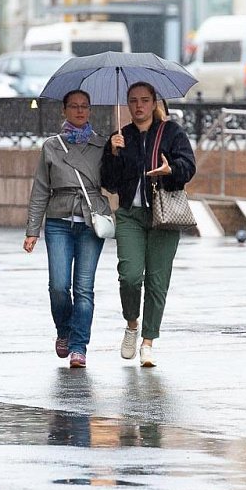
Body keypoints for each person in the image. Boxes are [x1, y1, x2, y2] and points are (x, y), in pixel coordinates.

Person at [101, 82, 196, 367]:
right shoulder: (121, 137)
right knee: (129, 276)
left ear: (154, 102)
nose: (139, 106)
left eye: (144, 100)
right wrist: (112, 154)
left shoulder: (172, 133)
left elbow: (189, 167)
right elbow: (109, 182)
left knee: (157, 282)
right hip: (131, 214)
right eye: (133, 101)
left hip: (163, 215)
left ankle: (148, 343)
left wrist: (171, 170)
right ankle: (132, 325)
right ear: (127, 105)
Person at [23, 90, 110, 368]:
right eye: (74, 106)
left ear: (90, 110)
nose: (80, 111)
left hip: (89, 220)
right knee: (59, 286)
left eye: (85, 106)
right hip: (59, 220)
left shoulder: (102, 145)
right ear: (64, 110)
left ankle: (78, 346)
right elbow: (40, 190)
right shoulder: (52, 146)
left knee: (84, 288)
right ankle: (64, 330)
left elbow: (115, 182)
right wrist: (32, 229)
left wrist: (118, 154)